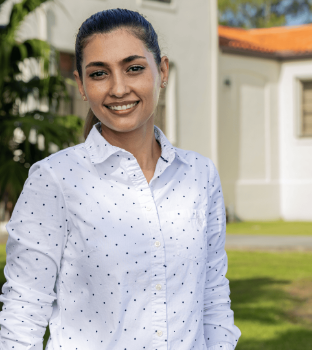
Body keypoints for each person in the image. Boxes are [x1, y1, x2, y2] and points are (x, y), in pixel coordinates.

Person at [0, 8, 241, 350]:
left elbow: (213, 299)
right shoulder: (53, 180)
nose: (118, 88)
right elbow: (23, 312)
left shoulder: (200, 175)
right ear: (81, 86)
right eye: (99, 73)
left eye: (134, 68)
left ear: (162, 71)